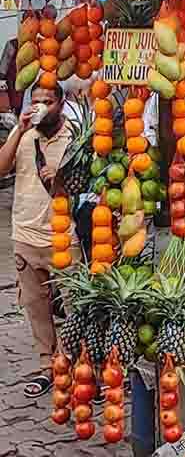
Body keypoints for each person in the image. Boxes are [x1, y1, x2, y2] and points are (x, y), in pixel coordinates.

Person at [0, 83, 73, 398]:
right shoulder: (25, 136)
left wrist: (61, 178)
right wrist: (19, 128)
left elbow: (90, 183)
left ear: (61, 103)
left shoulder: (75, 138)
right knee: (36, 307)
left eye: (48, 101)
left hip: (62, 238)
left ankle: (74, 364)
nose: (41, 106)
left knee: (74, 308)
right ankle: (48, 368)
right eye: (36, 101)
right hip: (25, 235)